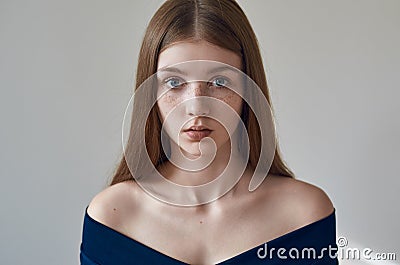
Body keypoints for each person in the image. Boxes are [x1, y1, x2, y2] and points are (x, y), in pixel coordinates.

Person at [80, 0, 338, 264]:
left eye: (219, 82)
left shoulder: (304, 215)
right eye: (174, 82)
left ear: (248, 90)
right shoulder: (112, 218)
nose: (197, 106)